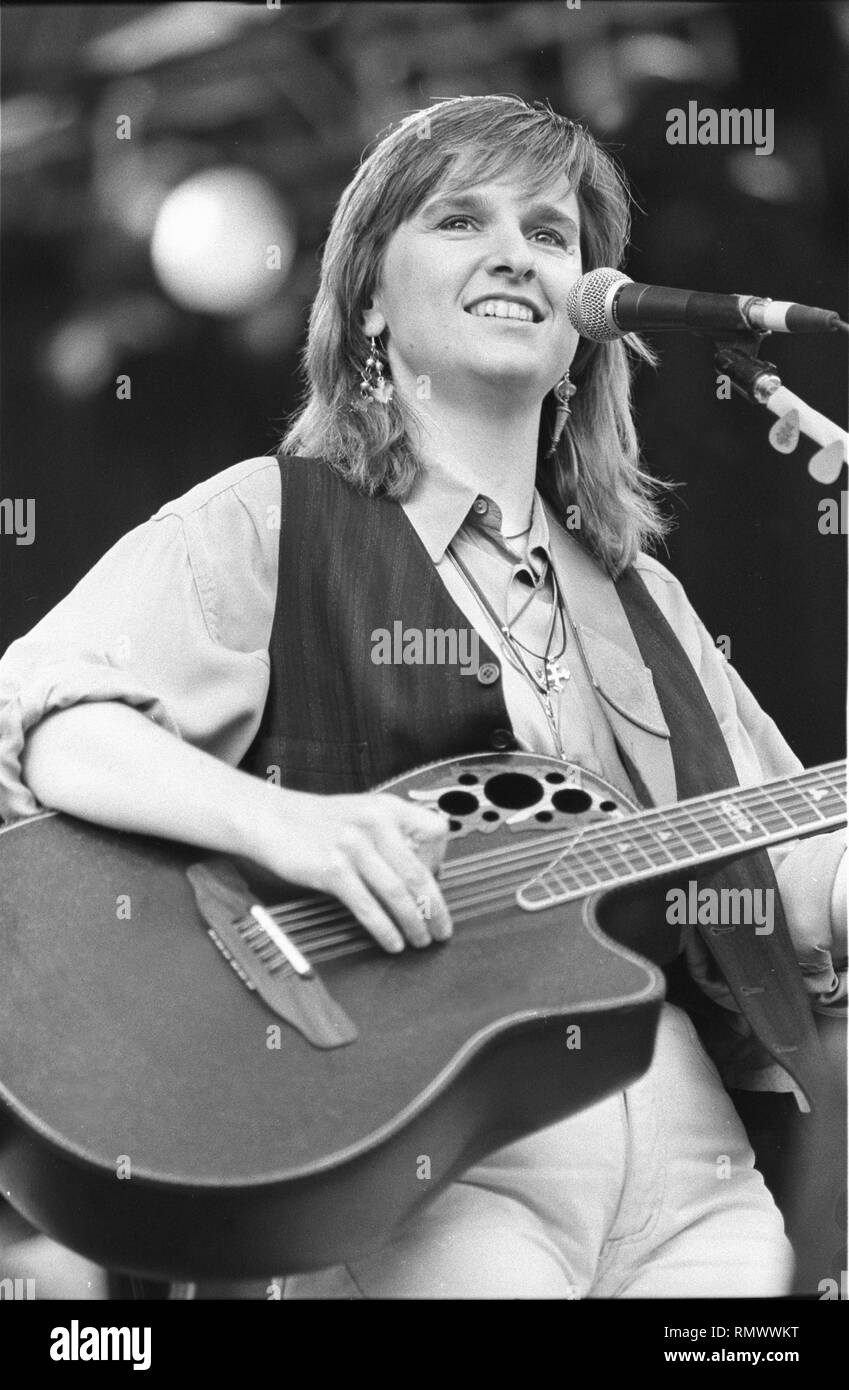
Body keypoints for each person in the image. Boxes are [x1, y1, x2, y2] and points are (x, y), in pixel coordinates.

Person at [0, 95, 845, 1300]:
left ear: (585, 328)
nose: (518, 252)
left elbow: (779, 857)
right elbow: (52, 724)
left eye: (553, 235)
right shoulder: (271, 517)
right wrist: (295, 825)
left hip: (694, 1156)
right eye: (461, 219)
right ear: (366, 304)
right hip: (419, 1153)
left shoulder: (646, 597)